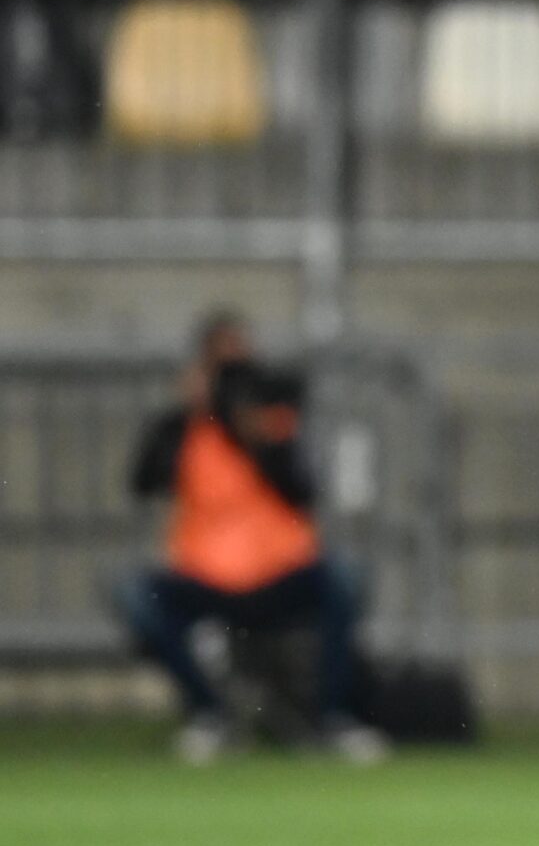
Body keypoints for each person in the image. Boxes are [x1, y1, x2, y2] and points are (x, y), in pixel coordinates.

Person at [119, 311, 385, 765]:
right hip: (205, 576)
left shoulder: (277, 421)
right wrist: (186, 414)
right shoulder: (184, 429)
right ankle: (211, 714)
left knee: (346, 579)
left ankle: (331, 717)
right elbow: (142, 481)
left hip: (282, 574)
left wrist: (260, 437)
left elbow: (305, 491)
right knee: (135, 594)